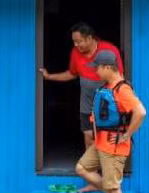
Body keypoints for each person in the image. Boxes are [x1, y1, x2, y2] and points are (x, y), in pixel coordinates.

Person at [75, 50, 145, 193]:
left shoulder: (123, 89)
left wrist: (126, 135)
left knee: (114, 188)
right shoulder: (106, 87)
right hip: (100, 144)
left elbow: (141, 112)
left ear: (107, 67)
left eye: (97, 68)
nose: (95, 71)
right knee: (81, 168)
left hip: (114, 147)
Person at [39, 22, 124, 151]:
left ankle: (106, 168)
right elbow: (72, 74)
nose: (76, 45)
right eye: (74, 42)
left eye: (79, 41)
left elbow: (119, 77)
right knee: (89, 136)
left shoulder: (109, 50)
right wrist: (49, 76)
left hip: (106, 103)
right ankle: (91, 169)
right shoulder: (75, 52)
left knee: (105, 137)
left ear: (90, 38)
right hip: (86, 104)